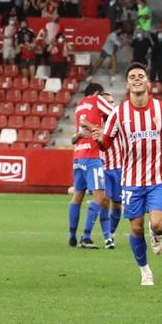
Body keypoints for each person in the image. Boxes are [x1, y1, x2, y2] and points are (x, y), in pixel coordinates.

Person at [96, 63, 162, 288]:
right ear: (127, 84)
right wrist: (99, 138)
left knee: (159, 224)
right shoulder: (119, 113)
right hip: (132, 180)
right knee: (135, 228)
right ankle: (145, 270)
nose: (137, 79)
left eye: (141, 76)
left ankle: (156, 234)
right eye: (132, 76)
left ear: (148, 82)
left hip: (157, 178)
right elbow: (106, 144)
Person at [67, 80, 116, 249]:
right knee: (100, 197)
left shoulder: (79, 105)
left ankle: (72, 236)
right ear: (97, 93)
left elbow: (79, 133)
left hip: (78, 155)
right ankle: (86, 237)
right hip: (92, 156)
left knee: (77, 197)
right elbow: (115, 115)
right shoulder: (97, 101)